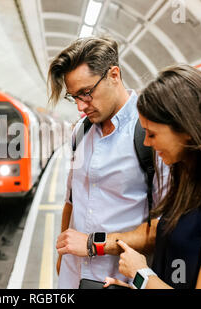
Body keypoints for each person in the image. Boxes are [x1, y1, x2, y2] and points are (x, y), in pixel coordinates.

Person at [101, 64, 201, 289]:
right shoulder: (190, 188)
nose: (146, 143)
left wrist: (141, 275)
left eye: (152, 134)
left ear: (189, 131)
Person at [48, 36, 165, 288]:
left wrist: (92, 245)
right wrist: (62, 253)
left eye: (86, 93)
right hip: (72, 276)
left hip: (120, 280)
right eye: (73, 97)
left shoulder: (151, 131)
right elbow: (71, 201)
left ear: (114, 75)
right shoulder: (80, 131)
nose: (81, 106)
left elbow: (163, 228)